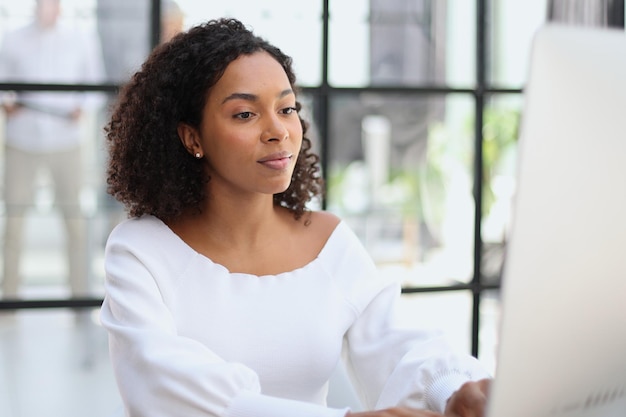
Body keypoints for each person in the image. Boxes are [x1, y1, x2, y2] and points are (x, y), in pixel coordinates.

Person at [99, 17, 491, 417]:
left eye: (286, 108)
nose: (278, 131)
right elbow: (167, 388)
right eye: (245, 114)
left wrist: (453, 391)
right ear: (192, 137)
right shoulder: (141, 251)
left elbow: (399, 344)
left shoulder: (328, 242)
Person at [0, 0, 105, 298]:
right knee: (14, 222)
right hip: (22, 141)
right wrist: (7, 103)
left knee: (74, 222)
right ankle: (9, 298)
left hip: (66, 142)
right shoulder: (13, 38)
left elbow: (94, 87)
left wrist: (80, 108)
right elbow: (4, 85)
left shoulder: (80, 38)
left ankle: (80, 296)